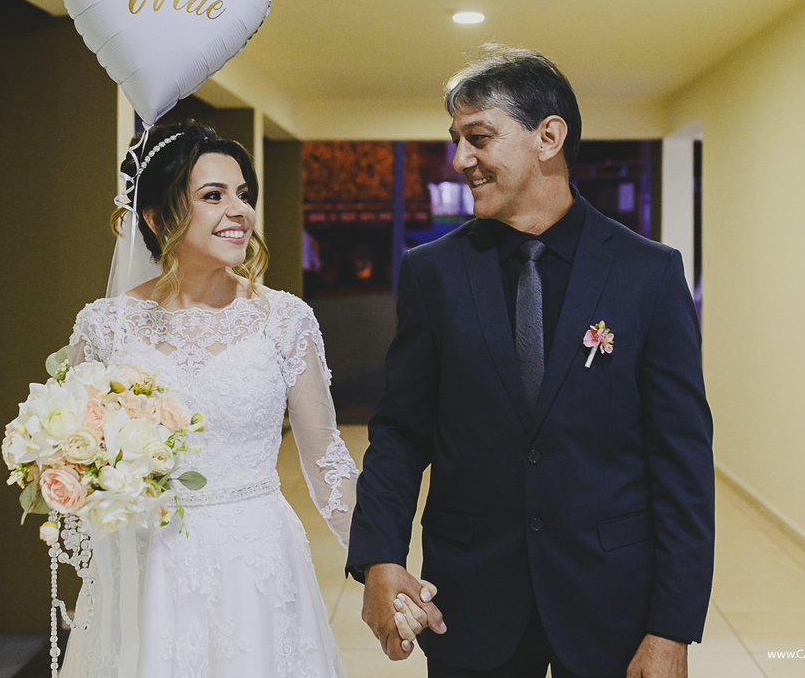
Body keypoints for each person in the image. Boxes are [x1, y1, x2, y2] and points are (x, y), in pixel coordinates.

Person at [347, 46, 715, 678]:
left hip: (610, 606)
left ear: (549, 137)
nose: (460, 160)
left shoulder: (648, 274)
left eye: (478, 137)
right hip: (471, 601)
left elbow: (682, 462)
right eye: (456, 140)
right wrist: (379, 556)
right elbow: (402, 431)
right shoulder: (433, 273)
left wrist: (672, 627)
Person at [58, 122, 422, 678]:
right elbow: (77, 453)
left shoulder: (285, 319)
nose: (239, 211)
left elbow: (326, 461)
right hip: (150, 565)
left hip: (257, 564)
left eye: (244, 194)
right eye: (213, 196)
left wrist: (378, 565)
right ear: (155, 218)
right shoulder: (106, 326)